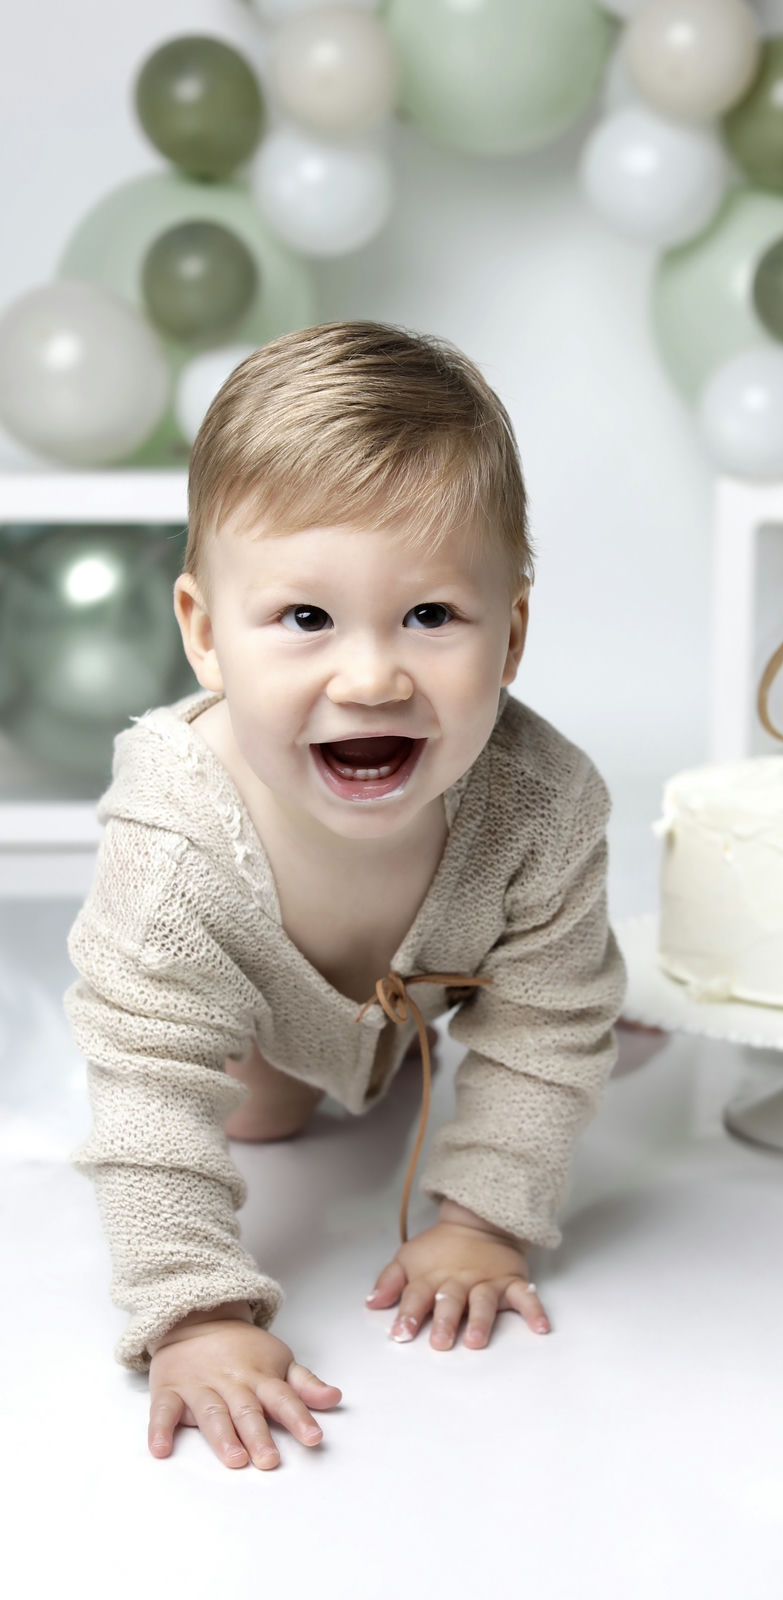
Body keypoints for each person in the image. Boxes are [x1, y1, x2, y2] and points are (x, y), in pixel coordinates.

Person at [63, 321, 626, 1473]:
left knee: (539, 1031)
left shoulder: (543, 804)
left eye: (430, 615)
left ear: (510, 633)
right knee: (255, 1115)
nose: (371, 676)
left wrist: (480, 1220)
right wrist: (194, 1311)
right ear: (206, 635)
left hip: (427, 995)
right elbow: (146, 1084)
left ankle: (421, 1056)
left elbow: (544, 1025)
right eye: (305, 619)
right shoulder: (172, 846)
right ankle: (298, 1070)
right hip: (252, 996)